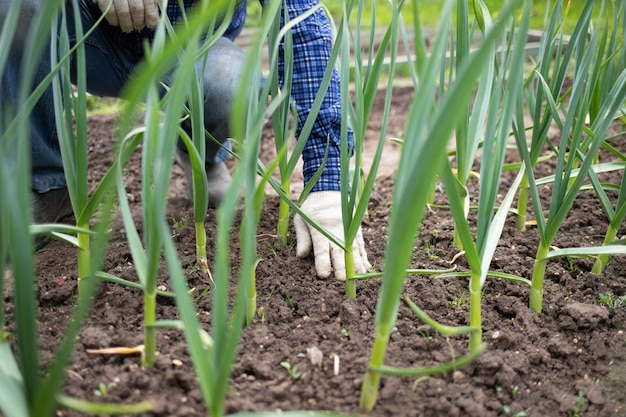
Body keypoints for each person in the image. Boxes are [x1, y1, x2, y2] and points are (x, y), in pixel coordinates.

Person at [1, 0, 371, 280]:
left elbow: (303, 22)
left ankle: (200, 149)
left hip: (191, 56)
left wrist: (327, 180)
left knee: (233, 88)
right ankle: (44, 182)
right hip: (83, 39)